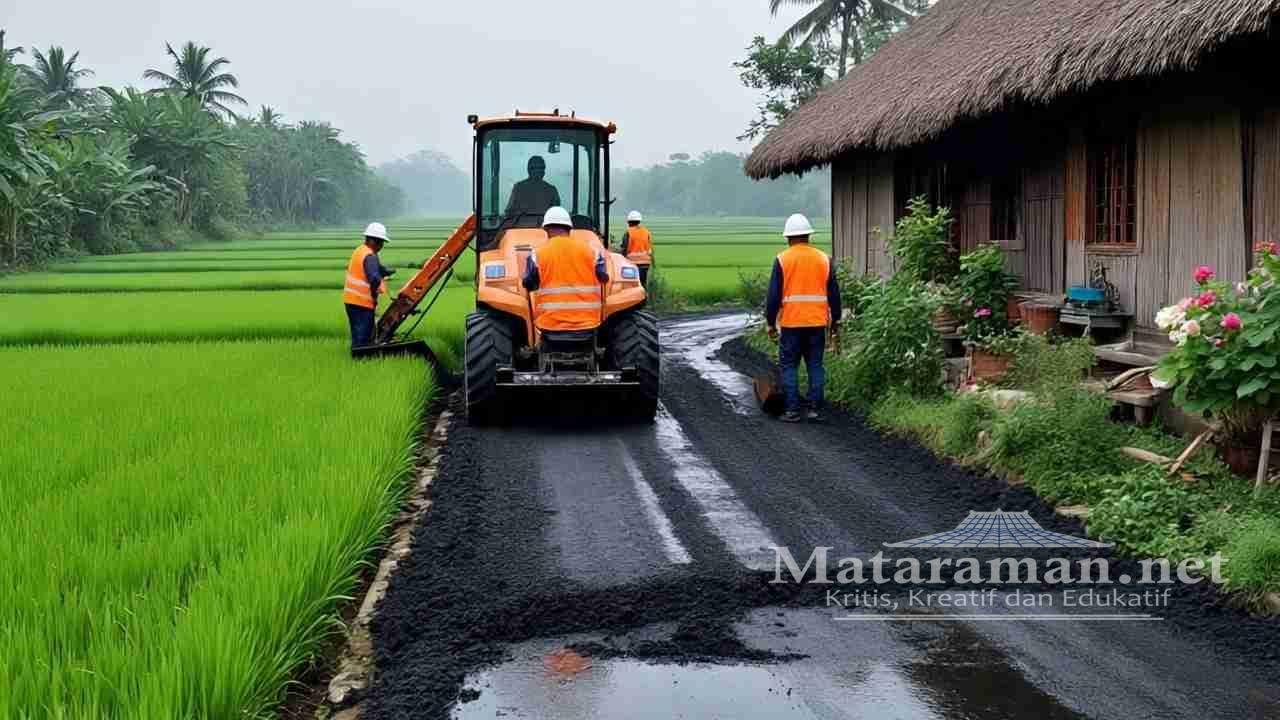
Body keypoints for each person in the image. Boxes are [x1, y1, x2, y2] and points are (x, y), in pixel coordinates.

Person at [765, 213, 841, 423]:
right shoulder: (824, 259)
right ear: (808, 235)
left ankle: (792, 411)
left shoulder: (782, 259)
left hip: (791, 324)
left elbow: (773, 297)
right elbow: (834, 294)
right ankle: (815, 409)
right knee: (815, 365)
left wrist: (770, 323)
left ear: (788, 237)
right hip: (817, 323)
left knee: (789, 365)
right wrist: (836, 320)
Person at [523, 206, 609, 332]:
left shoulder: (537, 254)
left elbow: (528, 284)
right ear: (569, 228)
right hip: (588, 324)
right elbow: (604, 277)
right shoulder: (593, 252)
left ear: (546, 229)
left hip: (550, 324)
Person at [343, 222, 396, 352]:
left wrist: (386, 271)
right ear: (373, 241)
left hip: (351, 302)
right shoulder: (370, 256)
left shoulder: (360, 250)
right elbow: (373, 276)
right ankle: (360, 360)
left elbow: (376, 268)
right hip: (362, 304)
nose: (381, 246)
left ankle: (358, 359)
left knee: (358, 335)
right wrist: (382, 289)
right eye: (381, 242)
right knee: (363, 340)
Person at [619, 210, 653, 287]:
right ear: (639, 221)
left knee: (632, 285)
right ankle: (644, 298)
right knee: (642, 284)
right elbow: (649, 248)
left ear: (629, 222)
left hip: (632, 263)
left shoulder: (628, 232)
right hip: (645, 263)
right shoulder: (646, 232)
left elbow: (624, 248)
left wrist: (621, 259)